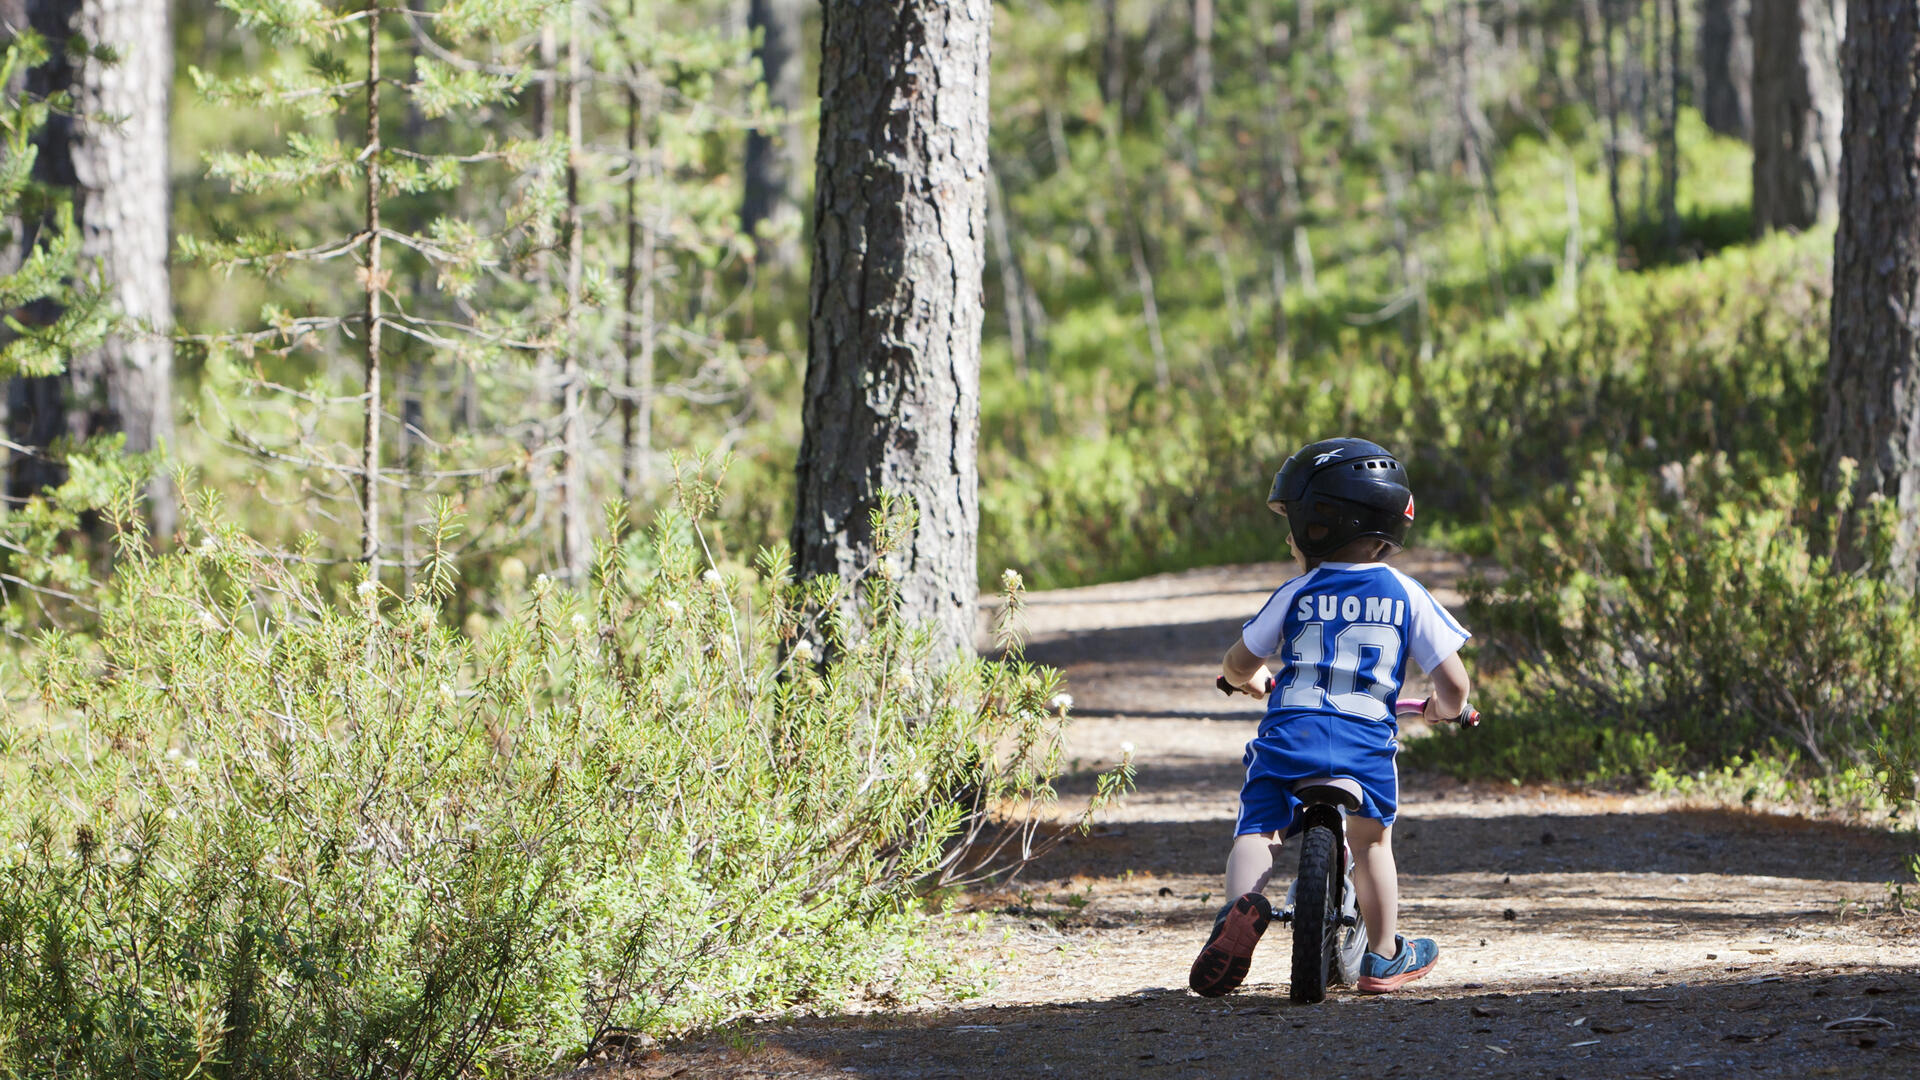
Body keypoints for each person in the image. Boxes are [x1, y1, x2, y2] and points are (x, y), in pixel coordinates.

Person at [1187, 437, 1473, 998]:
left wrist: (1247, 680)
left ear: (1320, 526)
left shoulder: (1297, 591)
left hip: (1290, 733)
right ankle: (1385, 956)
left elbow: (1239, 662)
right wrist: (1446, 711)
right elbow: (1455, 685)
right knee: (1370, 845)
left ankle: (1237, 912)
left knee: (1259, 829)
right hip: (1364, 741)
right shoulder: (1407, 594)